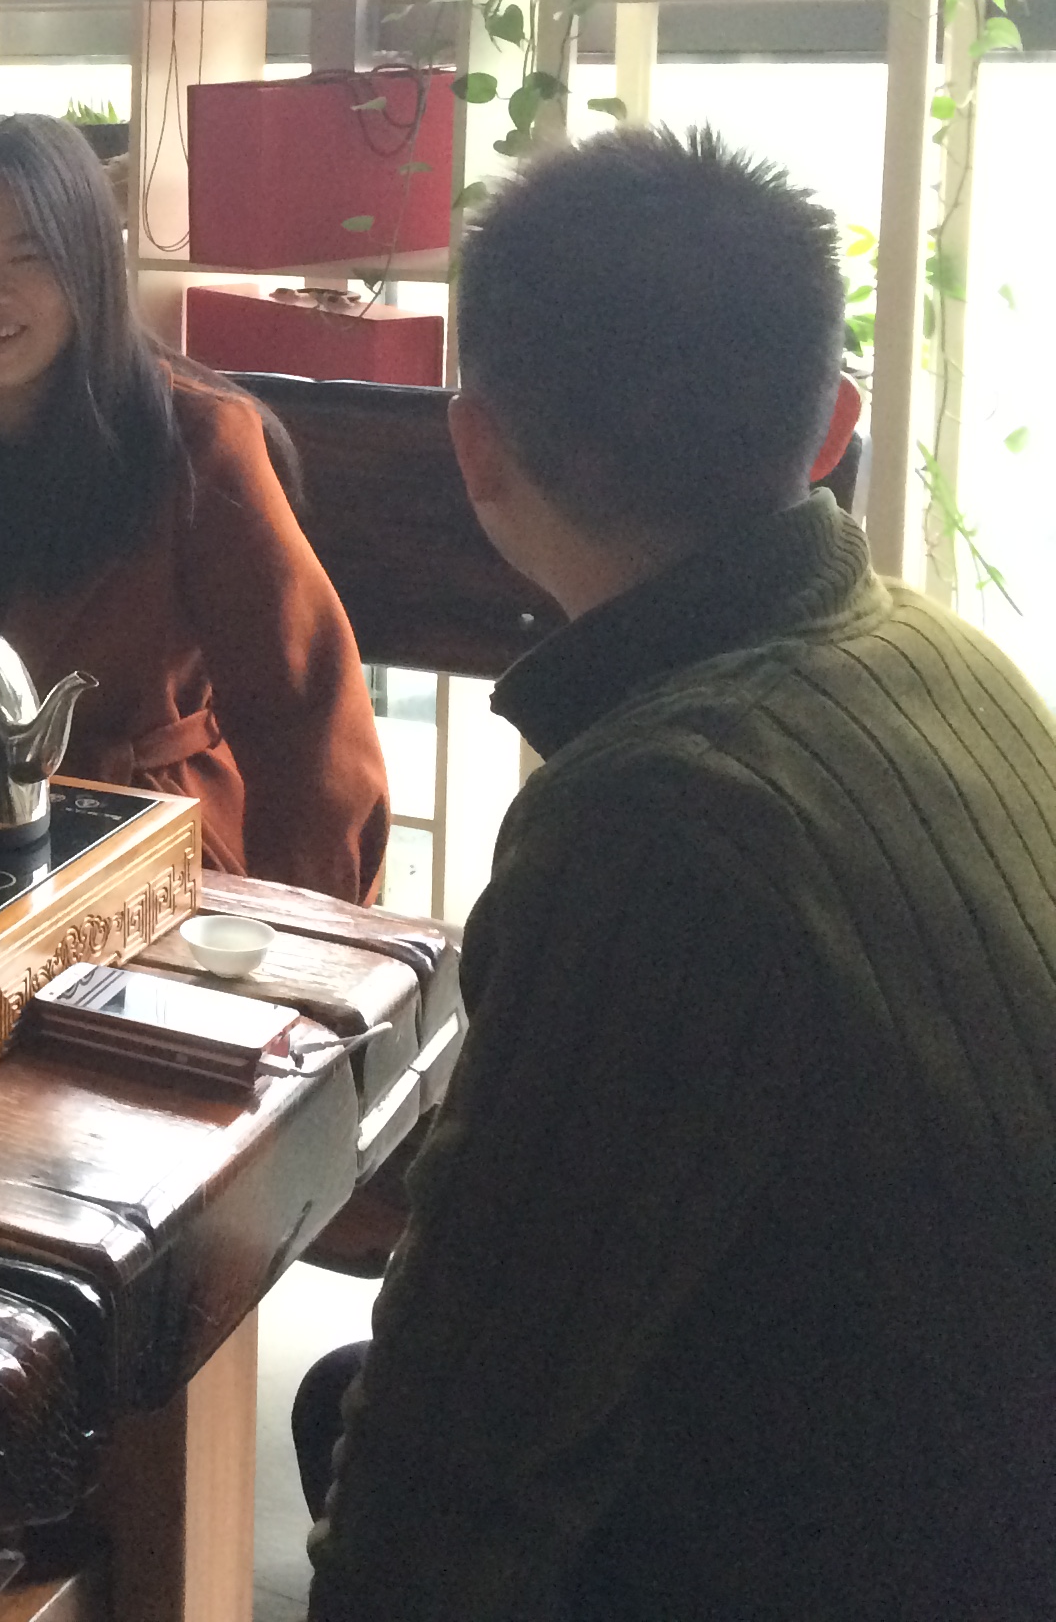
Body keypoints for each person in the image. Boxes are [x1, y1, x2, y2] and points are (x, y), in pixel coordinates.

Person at [301, 128, 1056, 1620]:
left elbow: (462, 1447)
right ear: (835, 424)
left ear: (476, 448)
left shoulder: (658, 825)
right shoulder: (941, 655)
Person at [0, 113, 389, 898]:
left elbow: (307, 719)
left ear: (90, 266)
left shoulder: (195, 439)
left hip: (151, 845)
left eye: (29, 255)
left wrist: (306, 930)